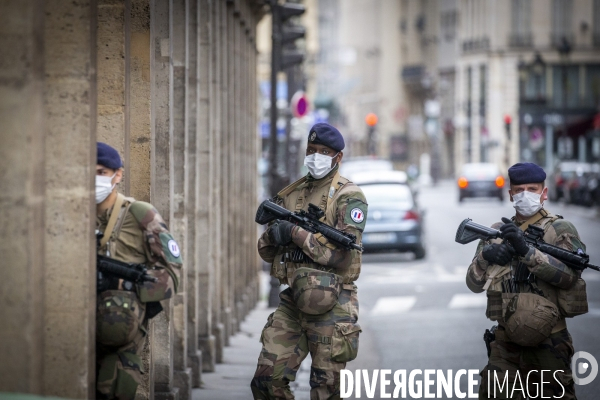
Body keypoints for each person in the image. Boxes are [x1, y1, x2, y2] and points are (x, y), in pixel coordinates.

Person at [250, 123, 368, 399]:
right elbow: (266, 251)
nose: (316, 156)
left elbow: (342, 255)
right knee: (266, 382)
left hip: (334, 303)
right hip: (293, 301)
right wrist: (277, 235)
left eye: (324, 151)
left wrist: (295, 232)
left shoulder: (348, 196)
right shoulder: (291, 194)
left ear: (337, 157)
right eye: (312, 150)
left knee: (325, 389)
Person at [466, 162, 587, 400]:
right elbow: (473, 284)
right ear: (510, 193)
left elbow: (569, 278)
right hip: (505, 343)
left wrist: (527, 252)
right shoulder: (496, 232)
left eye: (532, 189)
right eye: (519, 189)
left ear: (544, 193)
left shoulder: (560, 229)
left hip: (549, 342)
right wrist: (484, 256)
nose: (525, 195)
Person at [95, 142, 182, 400]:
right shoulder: (71, 213)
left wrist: (127, 289)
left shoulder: (140, 213)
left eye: (100, 172)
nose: (93, 178)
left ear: (117, 175)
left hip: (120, 326)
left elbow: (172, 273)